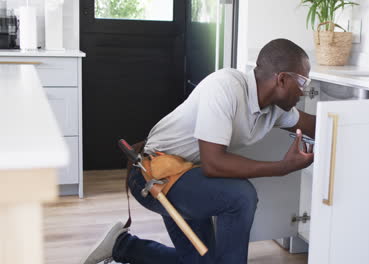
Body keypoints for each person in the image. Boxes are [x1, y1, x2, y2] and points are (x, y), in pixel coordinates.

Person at [80, 38, 316, 264]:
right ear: (282, 79)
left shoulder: (275, 109)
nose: (303, 92)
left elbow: (316, 124)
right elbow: (214, 164)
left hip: (190, 176)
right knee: (240, 195)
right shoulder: (226, 87)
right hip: (153, 175)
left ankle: (122, 246)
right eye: (303, 83)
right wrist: (282, 168)